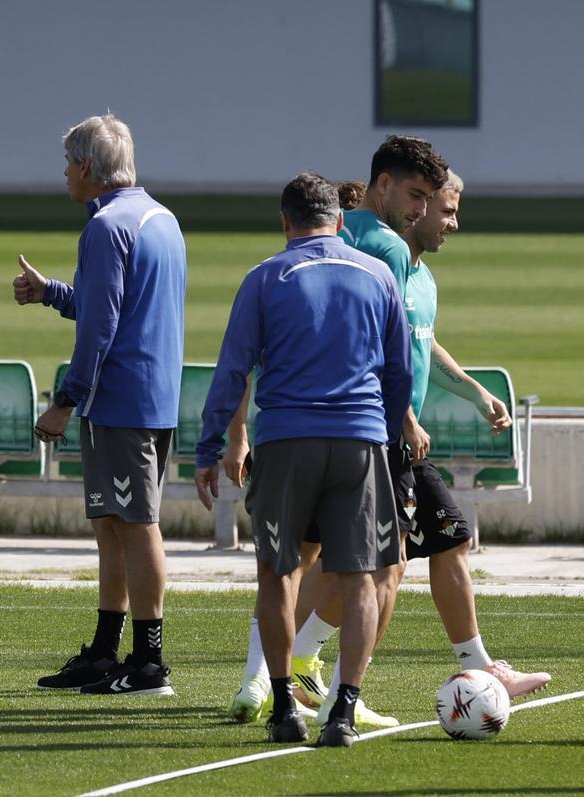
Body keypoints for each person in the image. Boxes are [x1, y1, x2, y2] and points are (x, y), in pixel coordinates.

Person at [289, 169, 551, 704]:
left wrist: (475, 392)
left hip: (402, 439)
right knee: (366, 563)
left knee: (447, 539)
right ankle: (300, 665)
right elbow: (369, 345)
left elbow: (420, 342)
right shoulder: (382, 258)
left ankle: (474, 665)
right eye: (445, 209)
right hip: (376, 432)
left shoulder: (421, 277)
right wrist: (406, 416)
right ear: (419, 204)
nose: (453, 222)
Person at [195, 172, 412, 746]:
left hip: (286, 441)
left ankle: (284, 706)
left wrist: (210, 447)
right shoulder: (379, 274)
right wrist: (383, 438)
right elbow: (400, 374)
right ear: (339, 220)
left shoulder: (266, 277)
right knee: (360, 578)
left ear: (285, 222)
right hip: (360, 441)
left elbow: (232, 370)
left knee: (279, 572)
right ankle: (342, 712)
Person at [14, 114, 186, 696]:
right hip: (151, 397)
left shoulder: (106, 226)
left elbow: (101, 326)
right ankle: (107, 651)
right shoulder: (162, 219)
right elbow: (113, 305)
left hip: (119, 401)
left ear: (87, 166)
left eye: (68, 163)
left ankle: (149, 662)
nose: (65, 173)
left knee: (134, 526)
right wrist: (51, 294)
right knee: (113, 526)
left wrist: (66, 399)